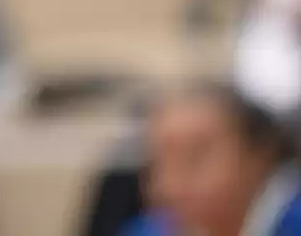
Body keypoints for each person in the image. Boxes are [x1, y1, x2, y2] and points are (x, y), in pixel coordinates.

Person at [122, 81, 301, 236]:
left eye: (192, 158)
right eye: (157, 164)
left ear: (259, 155)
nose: (169, 183)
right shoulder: (152, 229)